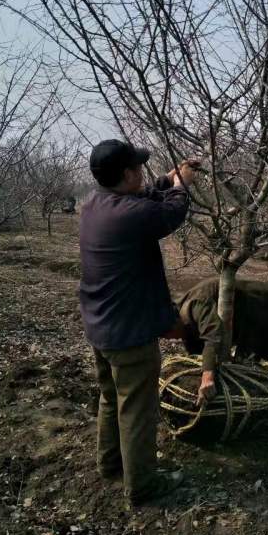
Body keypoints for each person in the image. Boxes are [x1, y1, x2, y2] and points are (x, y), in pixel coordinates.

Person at [79, 139, 198, 505]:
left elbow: (144, 196)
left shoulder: (93, 204)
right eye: (139, 169)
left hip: (101, 326)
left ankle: (110, 464)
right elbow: (171, 212)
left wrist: (168, 178)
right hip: (129, 334)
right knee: (138, 411)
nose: (143, 173)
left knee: (111, 398)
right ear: (128, 174)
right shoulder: (131, 214)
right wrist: (181, 185)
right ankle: (143, 485)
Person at [171, 277, 268, 384]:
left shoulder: (197, 304)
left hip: (259, 303)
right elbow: (195, 349)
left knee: (247, 365)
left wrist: (207, 376)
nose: (172, 338)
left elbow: (213, 336)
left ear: (174, 322)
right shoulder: (181, 314)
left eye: (168, 334)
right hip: (235, 313)